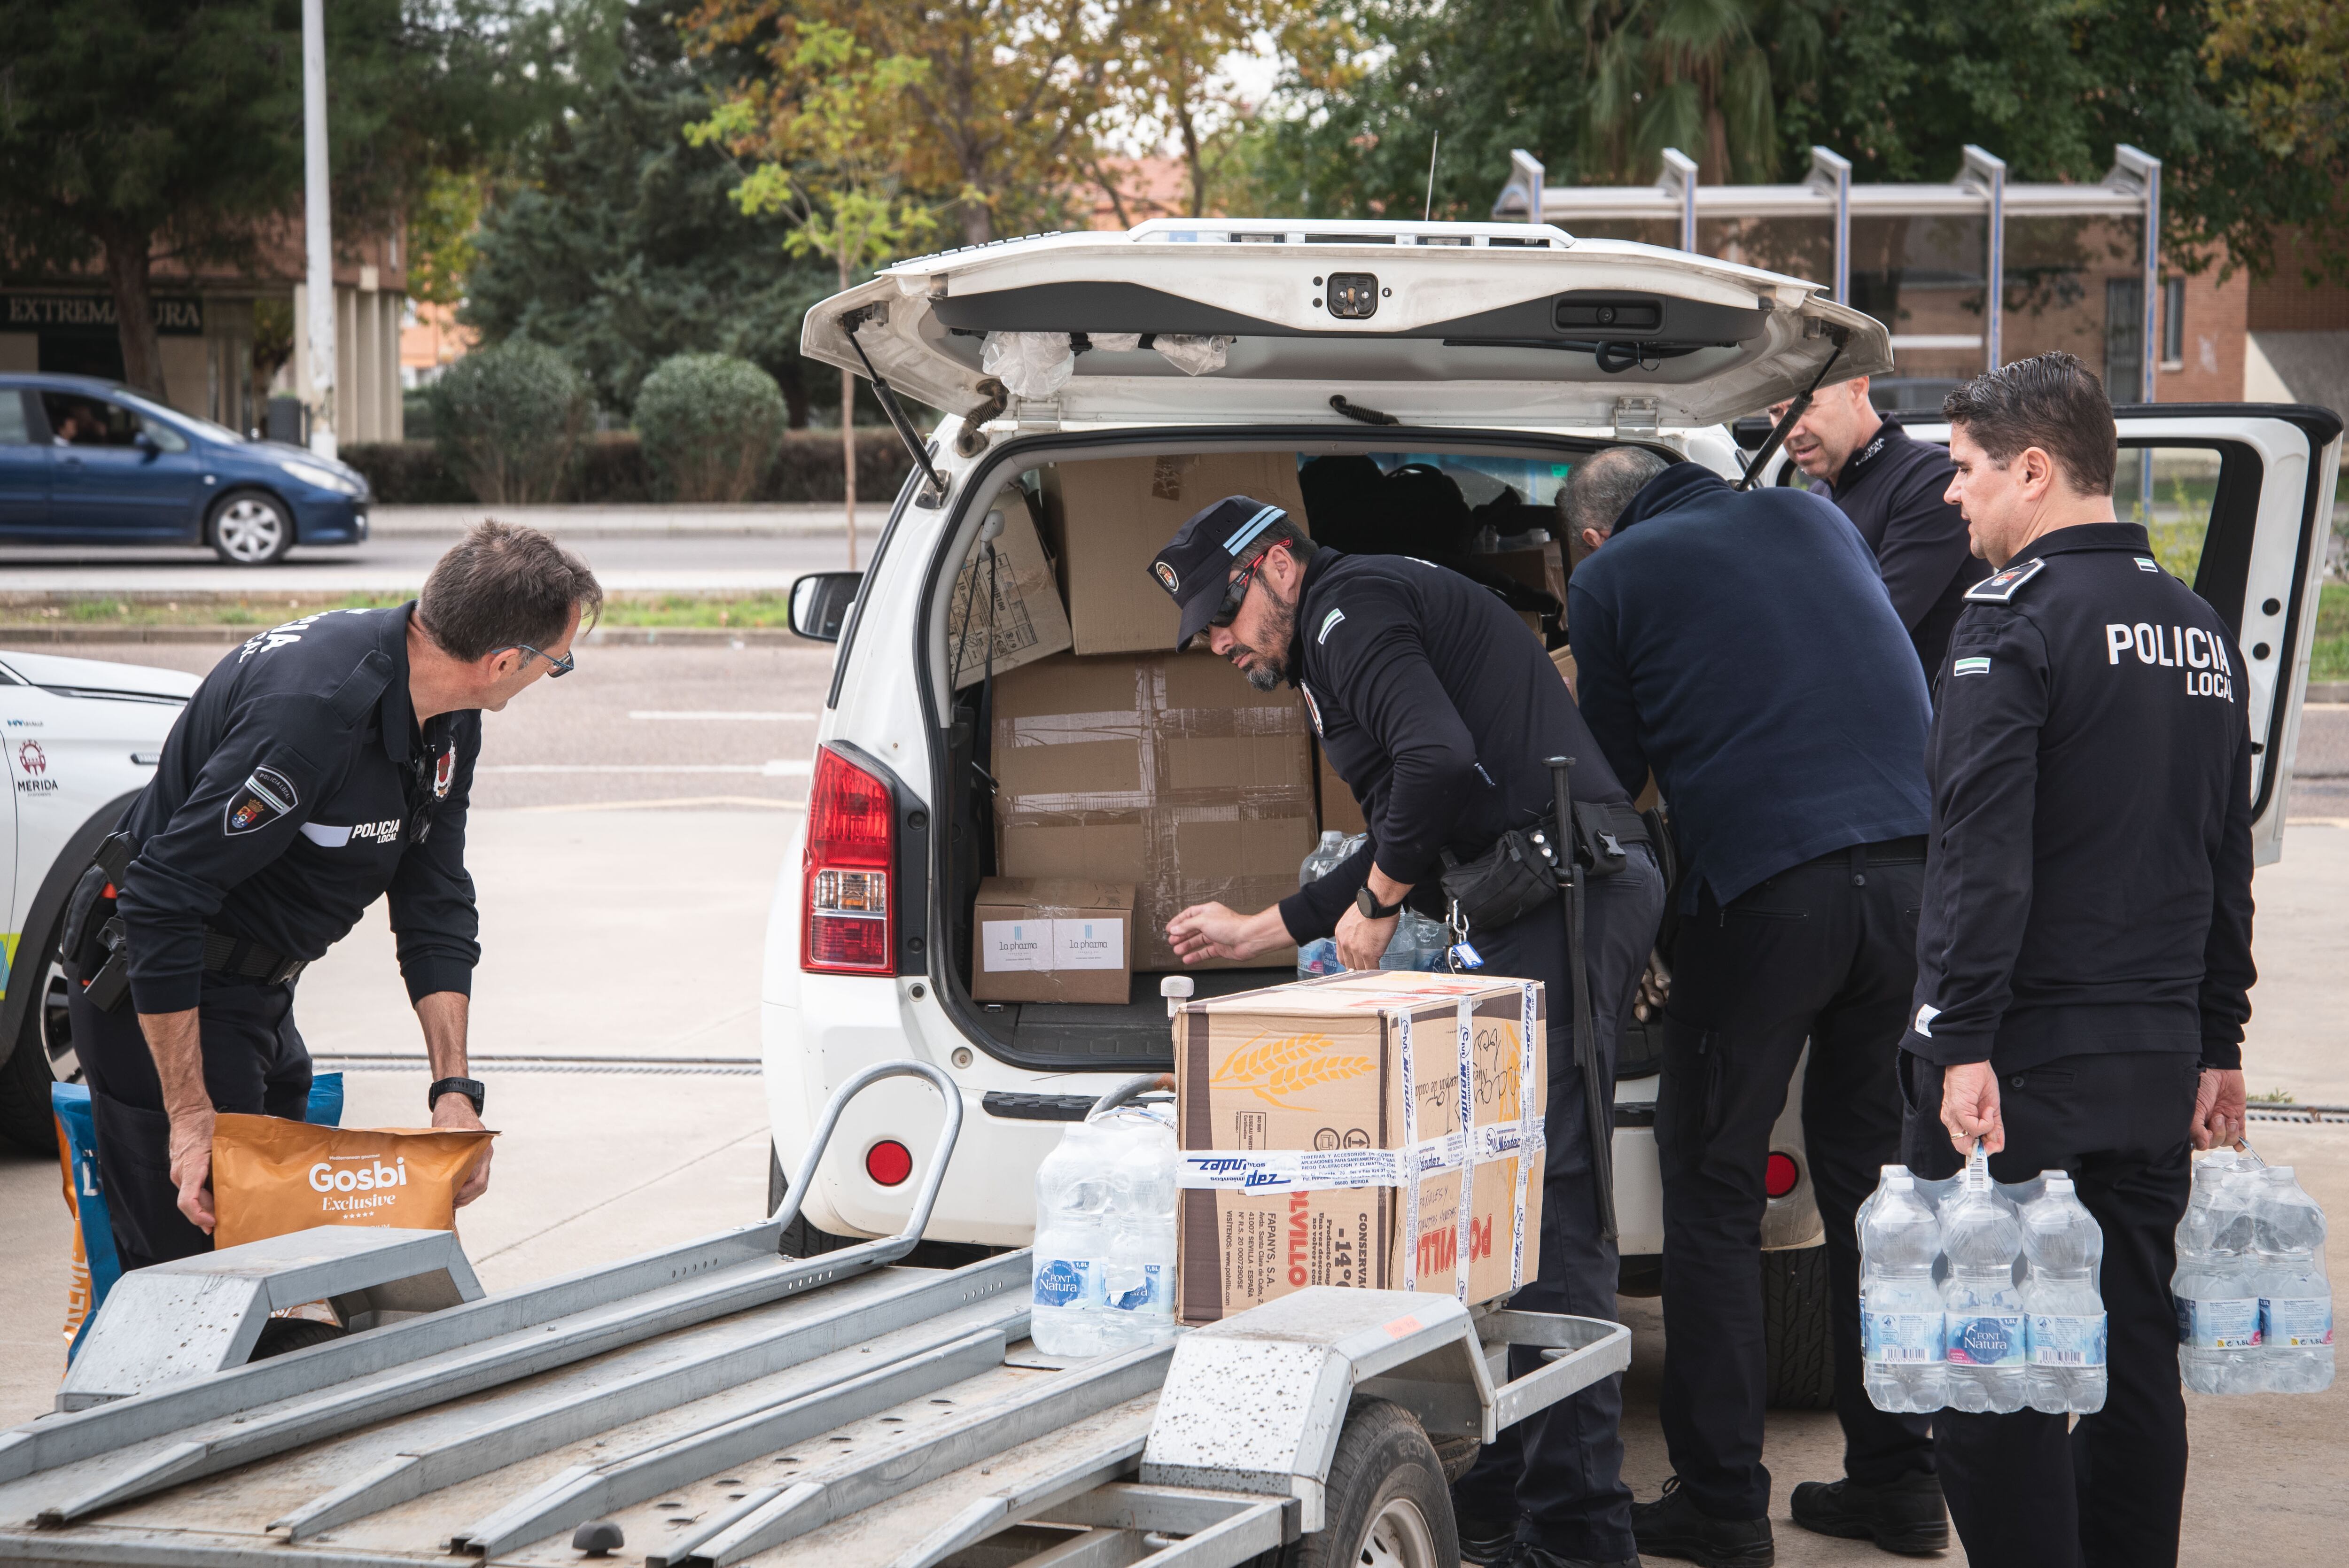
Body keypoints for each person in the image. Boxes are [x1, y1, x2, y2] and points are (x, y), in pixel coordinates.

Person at [1152, 495, 1665, 1568]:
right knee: (1506, 1200)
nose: (1216, 638)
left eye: (1223, 610)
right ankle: (1521, 1480)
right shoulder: (1336, 638)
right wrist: (1267, 924)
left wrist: (1378, 901)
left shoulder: (1348, 609)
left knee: (1553, 1200)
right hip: (1534, 894)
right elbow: (1411, 815)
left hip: (1573, 893)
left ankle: (1579, 1533)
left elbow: (1431, 760)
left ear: (1278, 564)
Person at [1898, 351, 2252, 1568]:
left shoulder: (2010, 620)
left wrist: (1960, 1038)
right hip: (2152, 1063)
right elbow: (2224, 860)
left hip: (2022, 1070)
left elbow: (1979, 857)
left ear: (2034, 471)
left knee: (1988, 1372)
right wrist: (2218, 1044)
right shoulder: (2201, 628)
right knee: (2130, 1354)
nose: (1952, 498)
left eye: (1963, 472)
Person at [1564, 445, 1947, 1566]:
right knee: (1869, 1187)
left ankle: (1723, 1503)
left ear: (1594, 531)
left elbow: (1609, 775)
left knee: (1716, 1191)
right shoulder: (1817, 517)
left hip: (1772, 888)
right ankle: (1900, 1482)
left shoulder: (1611, 576)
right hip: (1912, 878)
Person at [67, 521, 603, 1270]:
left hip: (257, 991)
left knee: (279, 1258)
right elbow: (158, 897)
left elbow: (435, 895)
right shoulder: (315, 715)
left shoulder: (447, 715)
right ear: (504, 660)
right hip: (162, 987)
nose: (555, 670)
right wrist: (191, 1116)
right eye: (558, 659)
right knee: (201, 1277)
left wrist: (453, 1089)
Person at [1762, 374, 1991, 674]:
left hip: (1924, 716)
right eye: (1777, 413)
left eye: (1805, 407)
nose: (1791, 429)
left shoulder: (1931, 481)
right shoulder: (1819, 496)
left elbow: (1869, 628)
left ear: (1857, 388)